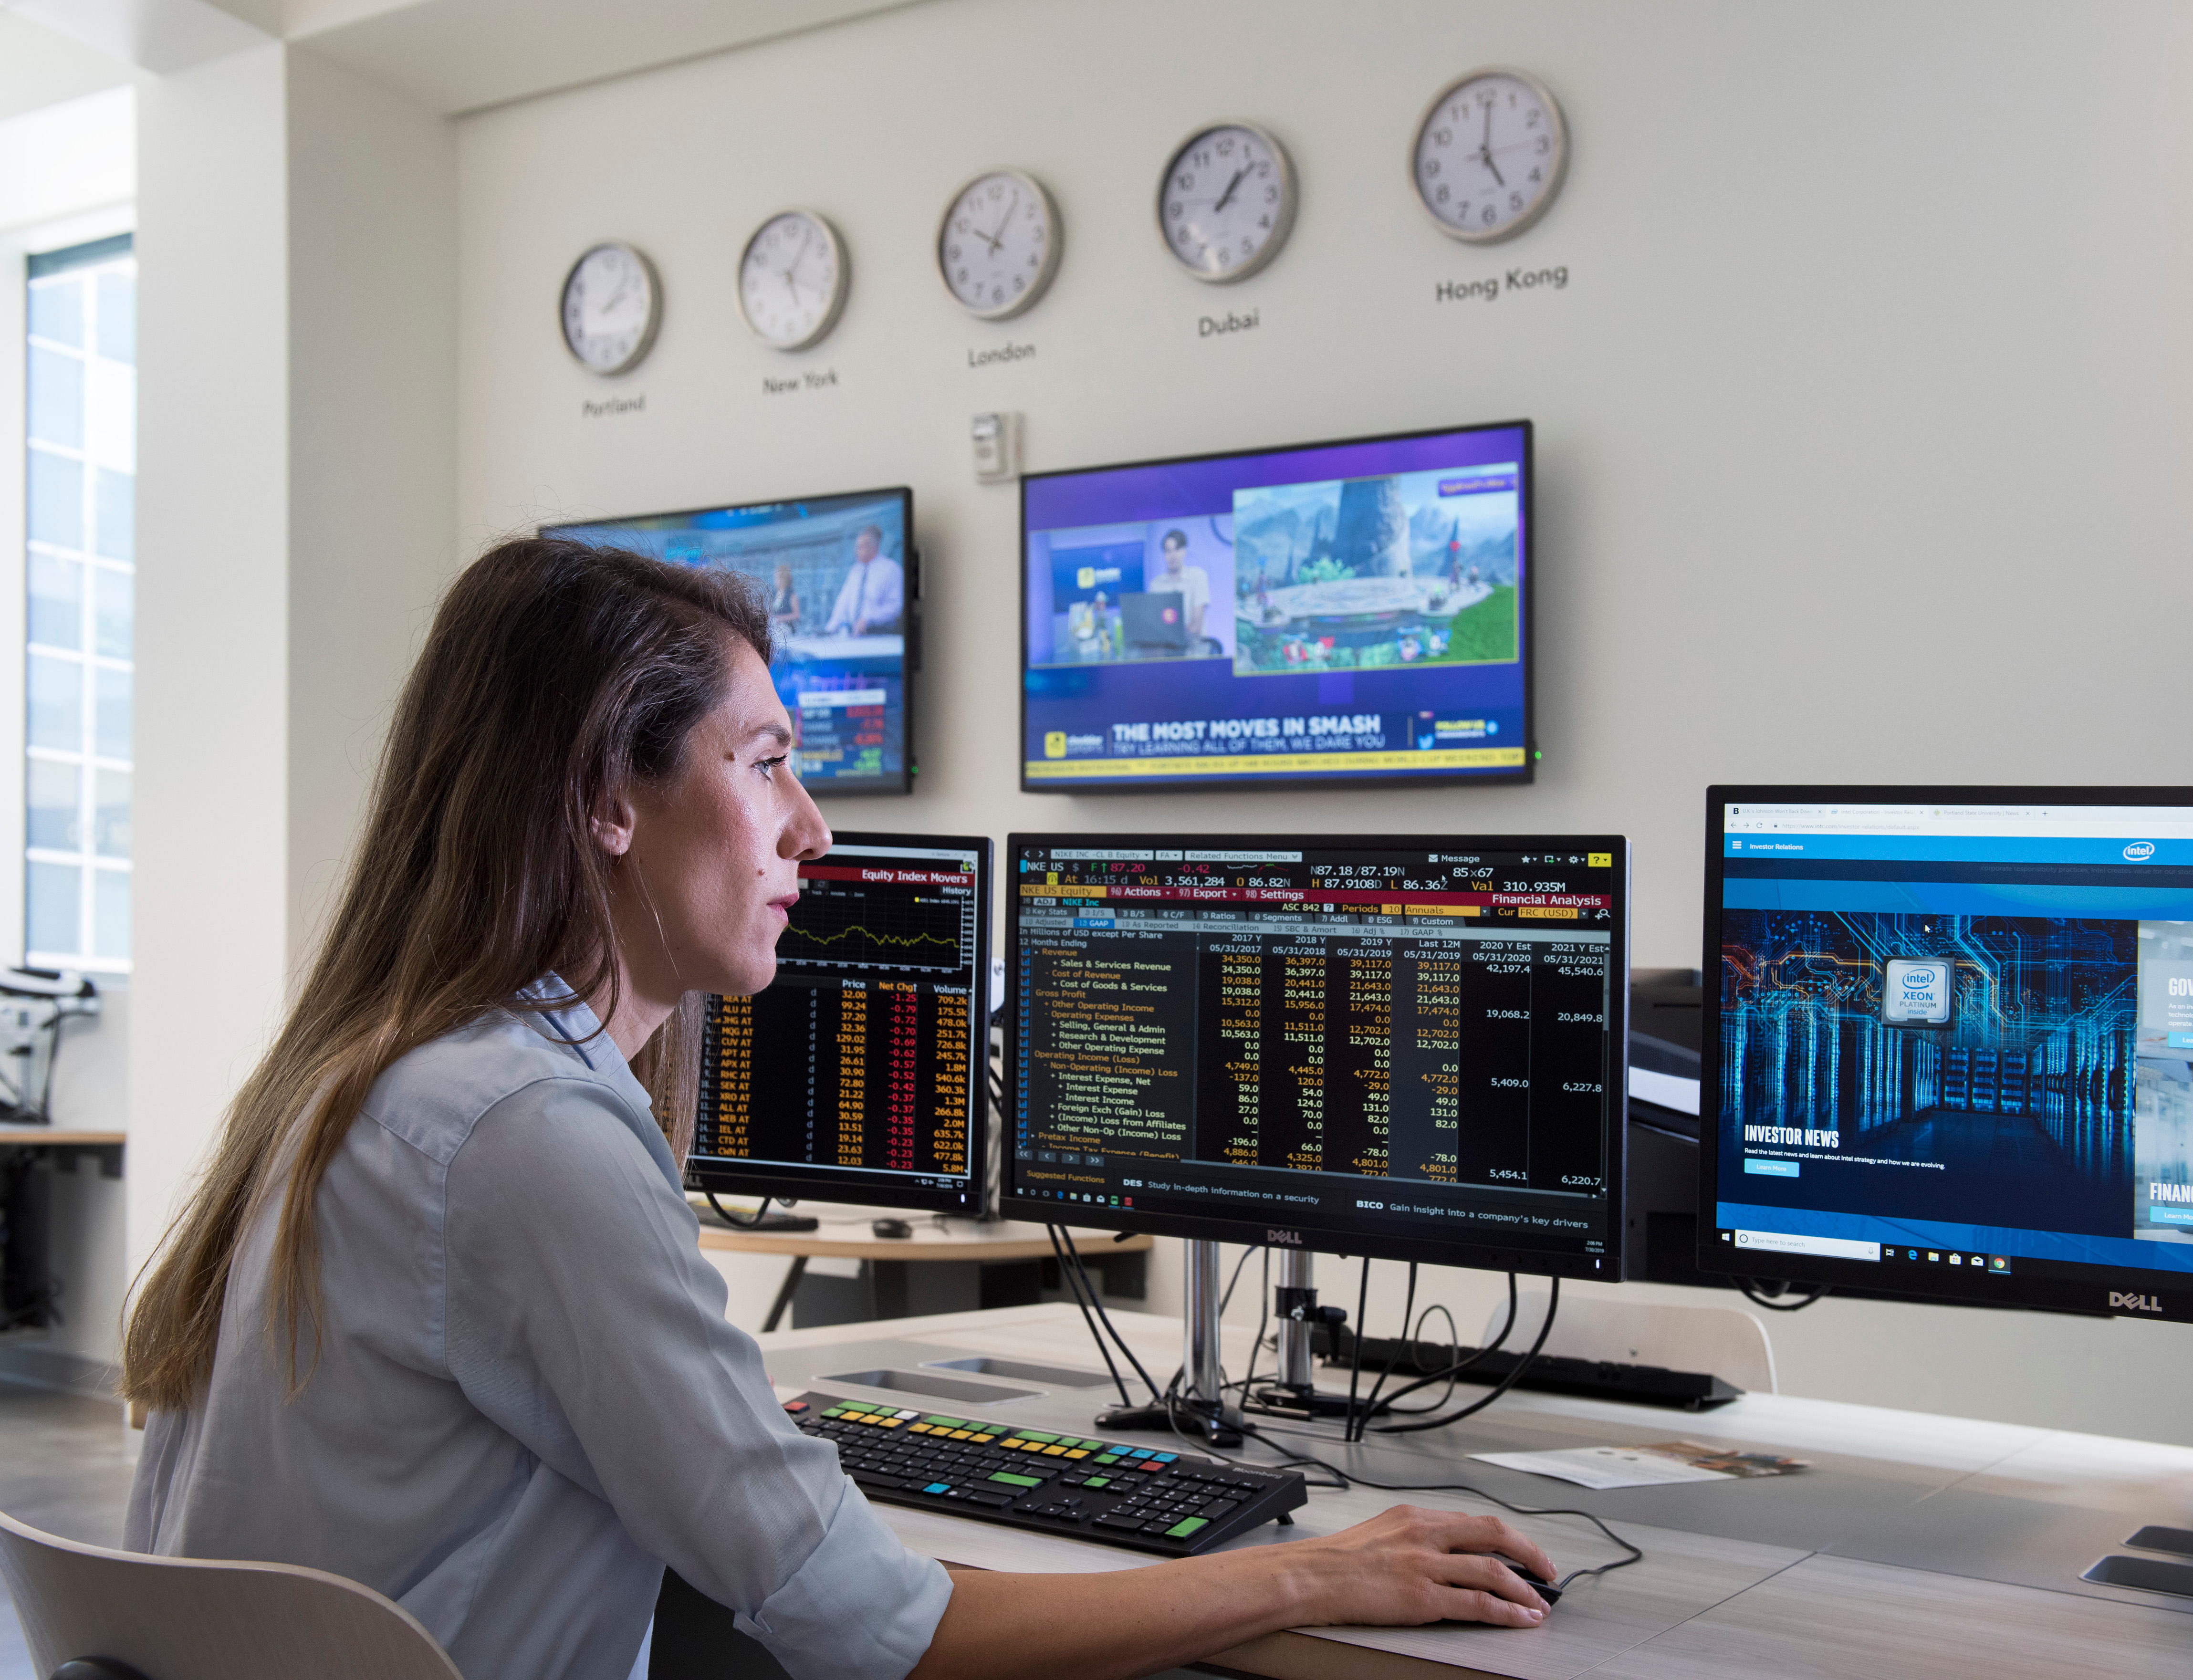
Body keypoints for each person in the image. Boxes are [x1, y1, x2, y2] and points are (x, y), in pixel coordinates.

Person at [118, 536, 1556, 1680]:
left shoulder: (373, 1079)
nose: (813, 825)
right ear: (607, 796)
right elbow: (879, 1633)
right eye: (763, 763)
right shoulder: (521, 1130)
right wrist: (1307, 1572)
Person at [824, 523, 901, 637]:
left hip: (880, 634)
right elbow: (843, 602)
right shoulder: (855, 571)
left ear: (873, 547)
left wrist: (868, 619)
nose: (856, 551)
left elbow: (895, 607)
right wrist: (829, 630)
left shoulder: (891, 569)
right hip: (855, 634)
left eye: (860, 547)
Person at [1148, 527, 1211, 643]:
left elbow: (1196, 627)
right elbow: (1154, 626)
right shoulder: (1156, 585)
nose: (1173, 555)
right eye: (1168, 551)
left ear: (1184, 551)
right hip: (1165, 648)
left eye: (1177, 549)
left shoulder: (1198, 576)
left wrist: (1167, 632)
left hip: (1194, 647)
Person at [767, 562, 802, 633]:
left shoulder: (791, 595)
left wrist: (780, 619)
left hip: (787, 628)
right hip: (774, 626)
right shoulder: (774, 593)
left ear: (783, 578)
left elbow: (797, 615)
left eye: (777, 577)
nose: (775, 579)